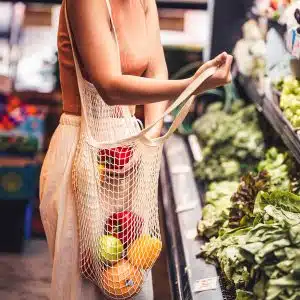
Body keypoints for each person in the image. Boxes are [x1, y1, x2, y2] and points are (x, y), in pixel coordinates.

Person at [39, 0, 233, 299]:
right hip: (84, 151)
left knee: (129, 278)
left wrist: (147, 142)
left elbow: (157, 73)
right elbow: (110, 86)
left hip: (129, 149)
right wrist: (193, 85)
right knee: (88, 281)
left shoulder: (145, 2)